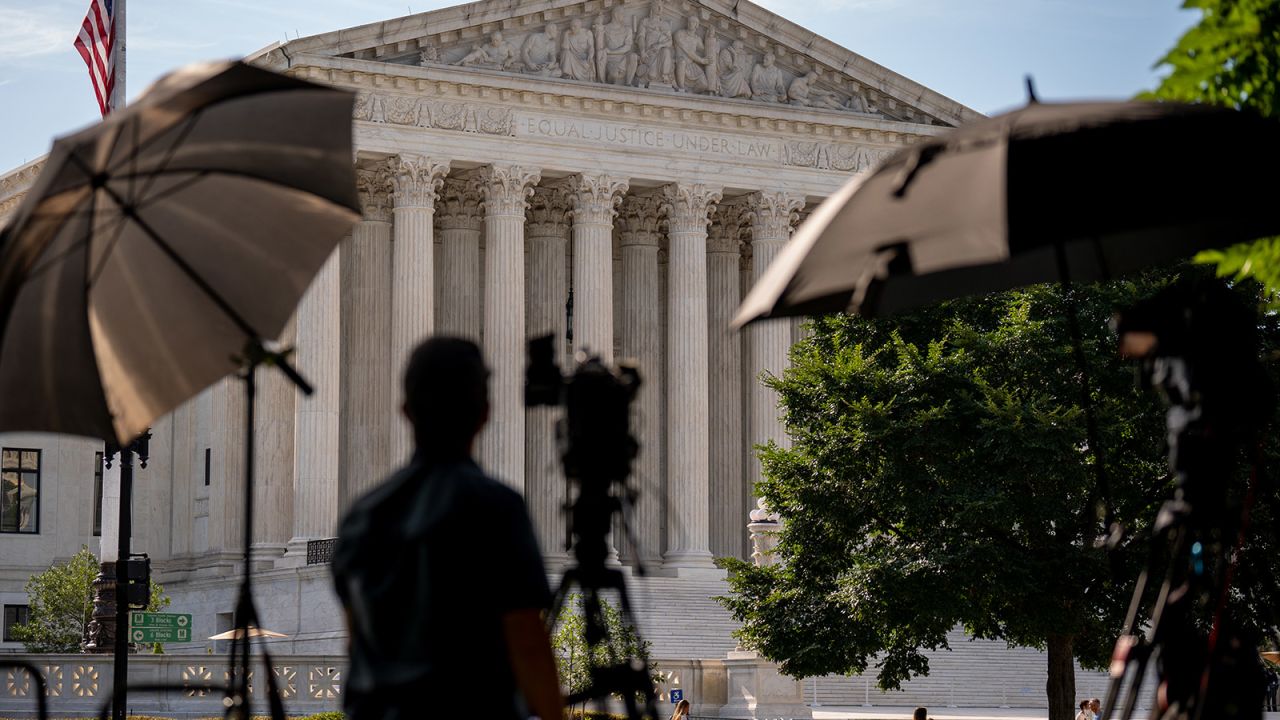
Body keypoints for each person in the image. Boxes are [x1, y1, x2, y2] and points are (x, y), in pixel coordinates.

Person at [332, 337, 563, 720]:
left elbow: (358, 641)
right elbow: (526, 639)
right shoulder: (495, 506)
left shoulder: (361, 516)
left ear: (405, 411)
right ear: (484, 413)